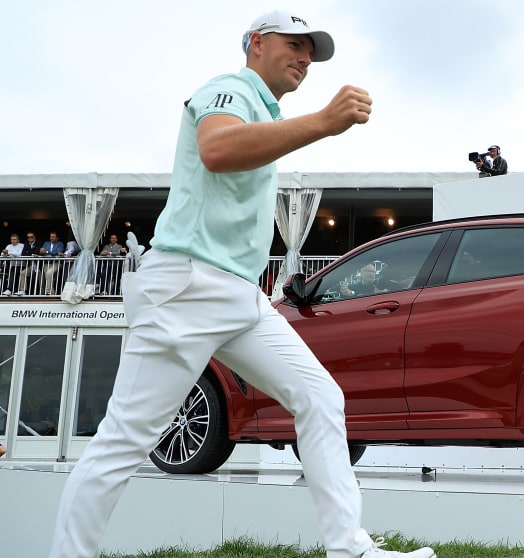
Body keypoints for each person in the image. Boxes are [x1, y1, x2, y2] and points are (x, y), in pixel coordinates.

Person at [48, 10, 434, 558]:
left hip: (237, 294)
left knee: (321, 398)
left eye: (311, 50)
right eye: (294, 44)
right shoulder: (229, 89)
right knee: (123, 441)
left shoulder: (263, 109)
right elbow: (218, 150)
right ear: (255, 44)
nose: (304, 57)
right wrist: (324, 122)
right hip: (186, 289)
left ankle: (350, 550)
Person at [15, 231, 42, 295]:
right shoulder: (26, 244)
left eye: (31, 237)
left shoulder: (38, 243)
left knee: (41, 282)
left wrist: (29, 252)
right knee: (22, 273)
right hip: (31, 266)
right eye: (28, 237)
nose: (30, 238)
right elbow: (23, 254)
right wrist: (33, 254)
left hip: (40, 267)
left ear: (34, 237)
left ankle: (42, 295)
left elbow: (37, 251)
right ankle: (23, 290)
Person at [41, 231, 66, 296]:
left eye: (53, 237)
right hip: (46, 263)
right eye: (51, 236)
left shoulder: (60, 244)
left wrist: (46, 251)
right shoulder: (46, 243)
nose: (51, 238)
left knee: (49, 273)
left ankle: (48, 291)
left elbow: (58, 252)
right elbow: (42, 252)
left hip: (56, 263)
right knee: (47, 277)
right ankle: (51, 292)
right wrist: (44, 252)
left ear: (57, 238)